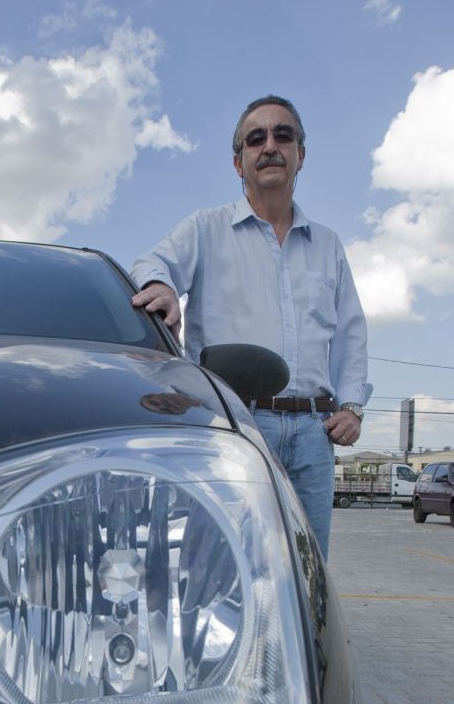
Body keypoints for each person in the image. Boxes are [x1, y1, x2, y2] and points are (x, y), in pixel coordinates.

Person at [130, 94, 371, 559]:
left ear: (301, 154)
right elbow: (151, 262)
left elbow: (350, 334)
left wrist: (353, 405)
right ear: (239, 163)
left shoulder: (328, 245)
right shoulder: (206, 229)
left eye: (284, 135)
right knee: (225, 562)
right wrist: (160, 285)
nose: (270, 145)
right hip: (235, 425)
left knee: (307, 570)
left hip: (314, 434)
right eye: (255, 138)